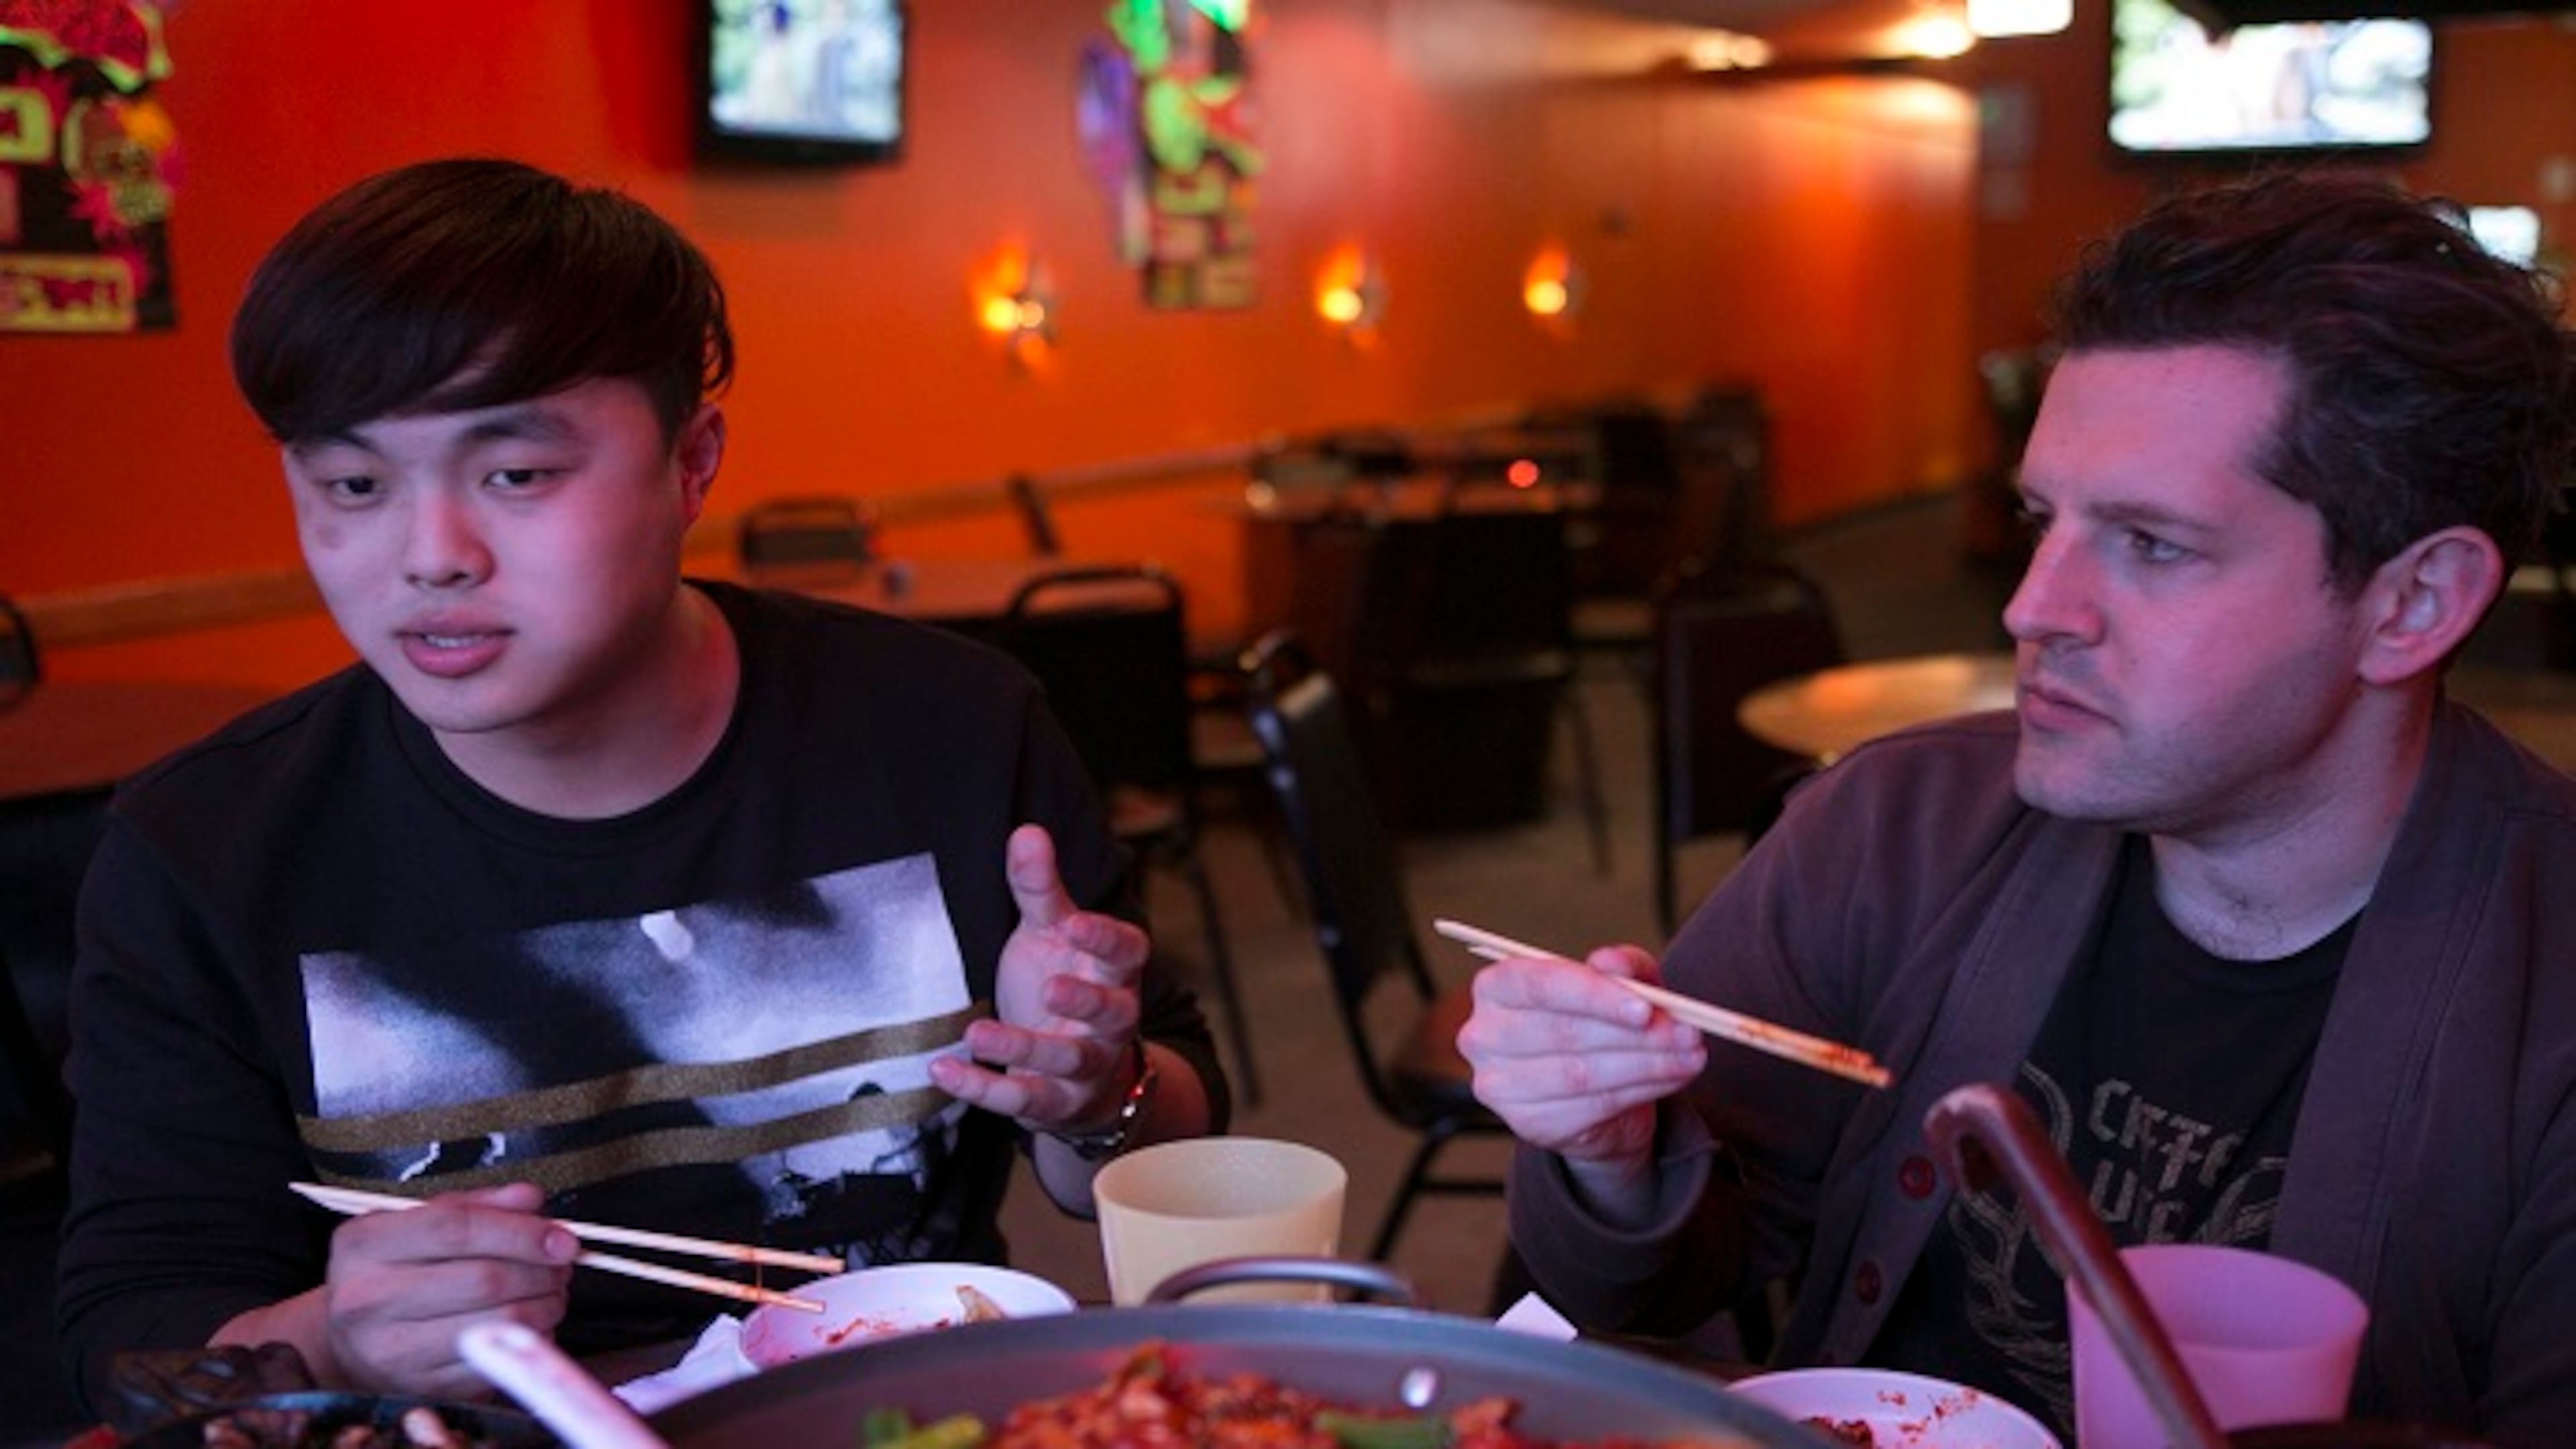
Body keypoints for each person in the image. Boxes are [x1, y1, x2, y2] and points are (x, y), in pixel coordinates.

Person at [53, 157, 1228, 1411]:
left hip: (893, 1416)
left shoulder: (950, 729)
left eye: (516, 475)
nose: (431, 557)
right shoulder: (206, 848)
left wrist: (1095, 1091)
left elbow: (1169, 1130)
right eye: (354, 486)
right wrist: (338, 1340)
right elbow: (134, 1324)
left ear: (691, 463)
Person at [1458, 170, 2576, 1446]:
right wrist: (1610, 1153)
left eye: (2153, 544)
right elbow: (1641, 1292)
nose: (2033, 607)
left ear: (2414, 603)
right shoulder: (1897, 824)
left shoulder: (2547, 986)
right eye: (2045, 519)